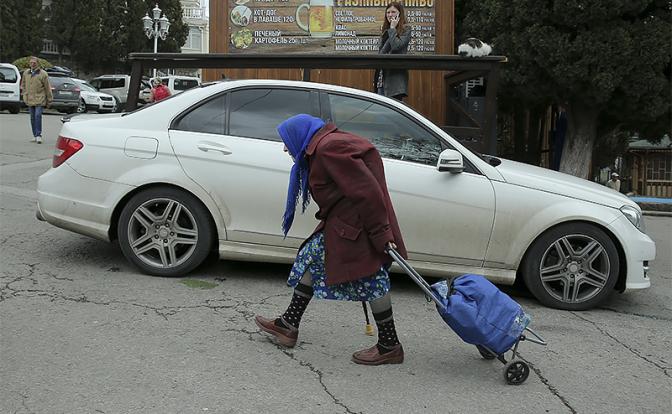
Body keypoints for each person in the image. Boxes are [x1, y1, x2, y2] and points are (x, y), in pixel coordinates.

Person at [255, 114, 408, 365]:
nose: (285, 147)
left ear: (300, 135)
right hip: (345, 223)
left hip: (360, 226)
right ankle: (288, 324)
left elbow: (367, 192)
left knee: (372, 279)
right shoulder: (324, 147)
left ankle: (390, 345)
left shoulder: (328, 149)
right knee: (311, 258)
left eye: (286, 141)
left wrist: (381, 233)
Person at [375, 2, 411, 101]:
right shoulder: (386, 31)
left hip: (395, 80)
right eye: (388, 12)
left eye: (393, 12)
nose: (390, 15)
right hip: (382, 79)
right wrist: (390, 30)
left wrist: (392, 29)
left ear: (400, 13)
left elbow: (396, 46)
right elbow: (381, 54)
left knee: (392, 114)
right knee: (381, 112)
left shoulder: (406, 29)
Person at [21, 56, 53, 144]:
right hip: (30, 99)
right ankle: (35, 135)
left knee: (37, 116)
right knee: (32, 118)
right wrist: (24, 94)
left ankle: (39, 135)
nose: (32, 64)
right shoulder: (26, 73)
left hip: (40, 99)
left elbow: (47, 87)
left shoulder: (43, 74)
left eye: (34, 63)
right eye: (31, 63)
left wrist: (49, 99)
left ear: (37, 64)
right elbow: (23, 84)